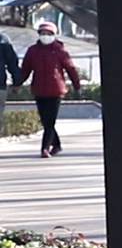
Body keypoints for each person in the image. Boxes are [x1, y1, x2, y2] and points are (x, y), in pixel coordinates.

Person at [18, 20, 81, 158]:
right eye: (43, 33)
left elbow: (70, 69)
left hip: (55, 90)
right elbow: (25, 70)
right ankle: (57, 145)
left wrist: (77, 85)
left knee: (50, 120)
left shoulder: (59, 50)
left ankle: (45, 148)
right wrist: (18, 83)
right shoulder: (32, 51)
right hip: (39, 90)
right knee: (45, 120)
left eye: (48, 33)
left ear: (54, 34)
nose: (45, 36)